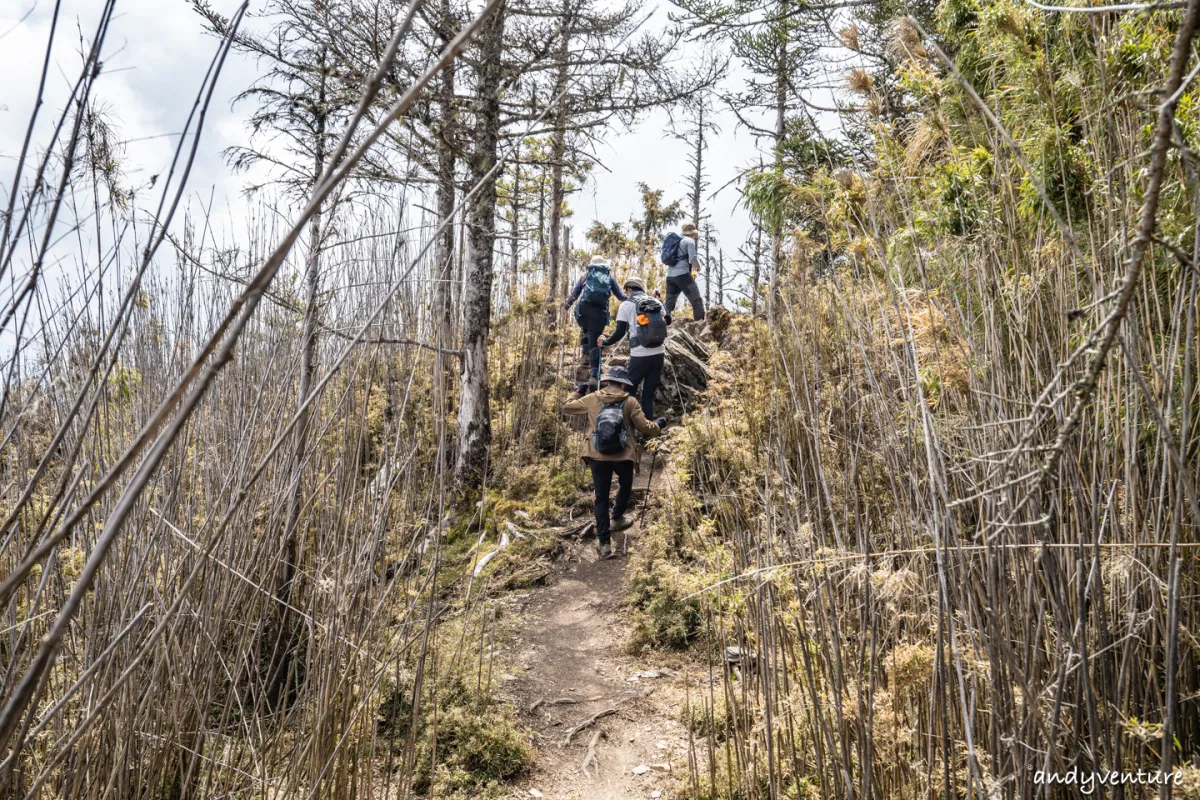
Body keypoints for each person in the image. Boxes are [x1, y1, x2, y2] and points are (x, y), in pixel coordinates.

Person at [563, 366, 665, 559]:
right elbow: (645, 428)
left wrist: (577, 391)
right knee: (626, 485)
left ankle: (604, 544)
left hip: (597, 455)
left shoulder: (593, 398)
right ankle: (617, 518)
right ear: (623, 383)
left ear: (608, 381)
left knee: (601, 498)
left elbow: (567, 407)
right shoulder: (630, 401)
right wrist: (659, 425)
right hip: (623, 455)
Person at [598, 276, 668, 419]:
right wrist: (659, 301)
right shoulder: (655, 302)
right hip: (659, 354)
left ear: (629, 289)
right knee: (647, 395)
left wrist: (605, 342)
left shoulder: (626, 305)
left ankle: (627, 428)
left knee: (629, 391)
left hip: (639, 356)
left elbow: (619, 333)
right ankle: (647, 432)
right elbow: (668, 320)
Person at [563, 255, 627, 389]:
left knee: (585, 330)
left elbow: (575, 294)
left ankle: (585, 355)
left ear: (591, 265)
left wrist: (566, 306)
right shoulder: (609, 277)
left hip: (583, 311)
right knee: (595, 339)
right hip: (599, 314)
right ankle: (593, 374)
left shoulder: (585, 276)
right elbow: (621, 296)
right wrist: (634, 300)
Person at [665, 222, 705, 321]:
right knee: (697, 302)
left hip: (670, 276)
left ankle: (662, 325)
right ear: (692, 233)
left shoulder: (676, 241)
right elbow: (692, 258)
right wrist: (698, 267)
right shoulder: (689, 241)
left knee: (668, 305)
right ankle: (699, 326)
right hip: (683, 275)